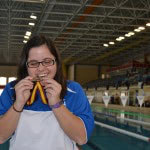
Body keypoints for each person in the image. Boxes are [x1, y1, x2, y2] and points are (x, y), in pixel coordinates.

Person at [0, 35, 94, 150]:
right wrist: (18, 103)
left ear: (56, 62)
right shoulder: (12, 90)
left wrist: (57, 104)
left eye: (47, 61)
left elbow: (81, 138)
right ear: (26, 66)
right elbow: (1, 137)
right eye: (34, 63)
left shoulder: (73, 90)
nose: (41, 69)